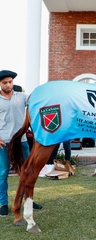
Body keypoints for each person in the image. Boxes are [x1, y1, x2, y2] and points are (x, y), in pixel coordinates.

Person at [0, 70, 42, 216]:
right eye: (5, 83)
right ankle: (3, 203)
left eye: (10, 82)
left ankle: (28, 200)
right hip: (4, 142)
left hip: (22, 141)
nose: (8, 85)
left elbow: (35, 101)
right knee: (3, 173)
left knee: (27, 172)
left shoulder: (21, 97)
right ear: (0, 84)